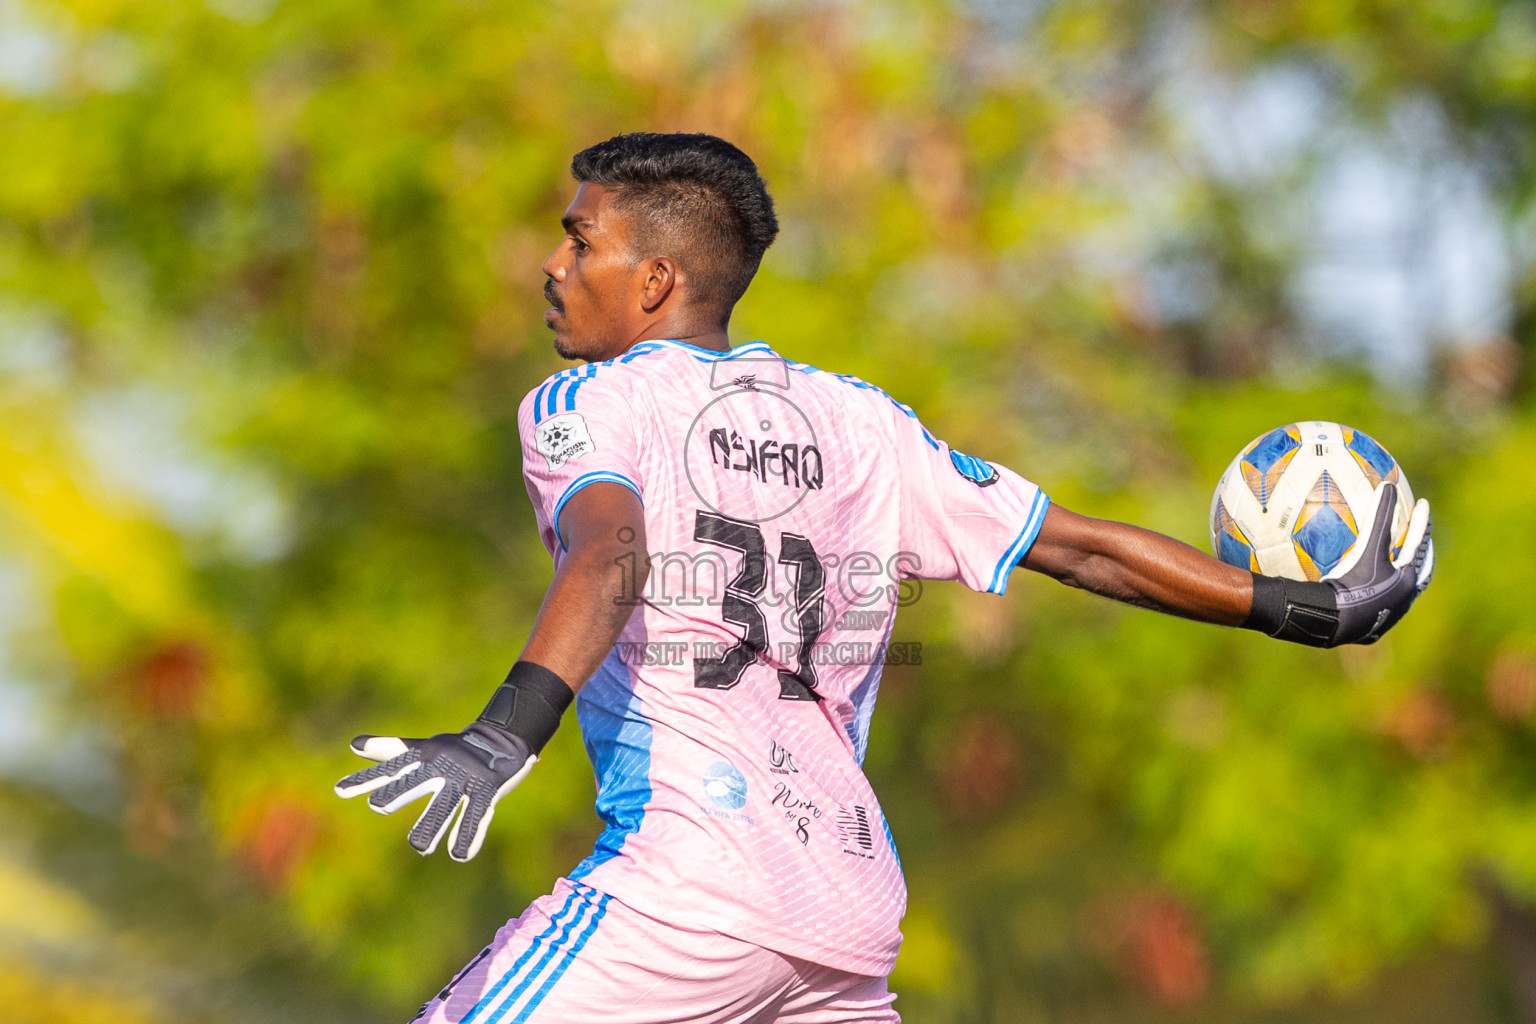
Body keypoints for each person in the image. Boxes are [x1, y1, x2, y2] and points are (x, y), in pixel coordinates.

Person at [335, 132, 1434, 1024]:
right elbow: (1080, 545)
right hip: (841, 915)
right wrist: (1307, 610)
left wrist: (501, 734)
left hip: (687, 889)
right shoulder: (865, 424)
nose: (554, 263)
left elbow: (612, 551)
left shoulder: (592, 403)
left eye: (580, 241)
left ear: (657, 278)